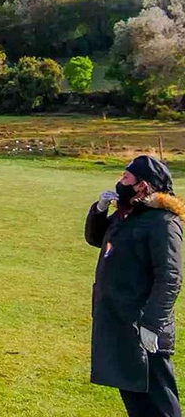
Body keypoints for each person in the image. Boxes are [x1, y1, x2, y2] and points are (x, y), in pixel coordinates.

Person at [84, 155, 184, 417]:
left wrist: (152, 325)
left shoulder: (163, 223)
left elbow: (170, 277)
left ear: (143, 186)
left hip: (145, 328)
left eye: (127, 178)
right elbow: (97, 239)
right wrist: (99, 209)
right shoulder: (126, 215)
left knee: (160, 402)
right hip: (121, 322)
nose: (121, 182)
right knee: (134, 398)